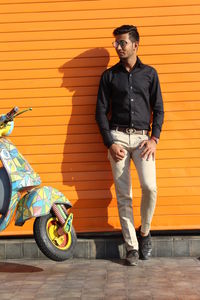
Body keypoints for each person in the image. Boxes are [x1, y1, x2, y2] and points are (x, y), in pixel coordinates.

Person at [95, 25, 164, 266]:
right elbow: (100, 113)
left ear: (135, 45)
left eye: (122, 42)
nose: (118, 47)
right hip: (119, 139)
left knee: (150, 187)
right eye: (116, 43)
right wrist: (110, 143)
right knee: (125, 195)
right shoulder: (109, 76)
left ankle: (144, 232)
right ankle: (132, 246)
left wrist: (154, 139)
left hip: (144, 140)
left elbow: (159, 109)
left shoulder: (150, 74)